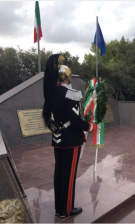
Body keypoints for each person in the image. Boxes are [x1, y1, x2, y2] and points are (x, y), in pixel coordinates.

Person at [42, 54, 94, 218]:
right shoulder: (70, 94)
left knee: (59, 174)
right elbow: (75, 121)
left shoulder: (51, 93)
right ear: (66, 76)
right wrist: (91, 126)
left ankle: (59, 208)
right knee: (69, 176)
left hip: (58, 140)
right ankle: (66, 210)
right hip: (71, 140)